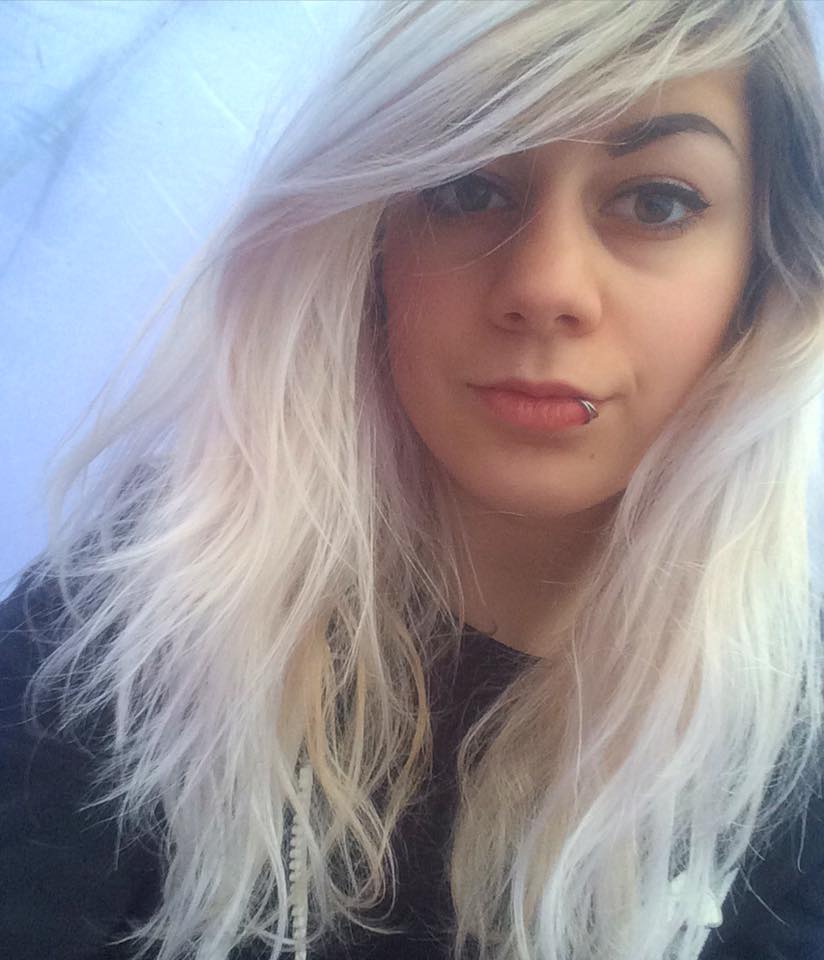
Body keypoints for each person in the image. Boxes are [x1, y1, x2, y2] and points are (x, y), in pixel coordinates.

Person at [2, 1, 824, 958]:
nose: (547, 286)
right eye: (467, 189)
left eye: (656, 203)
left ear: (763, 272)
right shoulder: (128, 634)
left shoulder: (792, 737)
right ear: (372, 245)